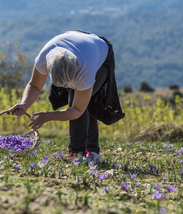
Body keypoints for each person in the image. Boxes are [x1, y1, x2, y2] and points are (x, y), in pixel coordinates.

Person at [9, 30, 124, 162]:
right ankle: (89, 151)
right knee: (79, 96)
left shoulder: (85, 70)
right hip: (78, 42)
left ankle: (79, 152)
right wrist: (24, 104)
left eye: (67, 83)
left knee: (82, 99)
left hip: (100, 52)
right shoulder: (43, 60)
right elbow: (34, 86)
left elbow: (77, 110)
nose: (65, 87)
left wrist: (48, 116)